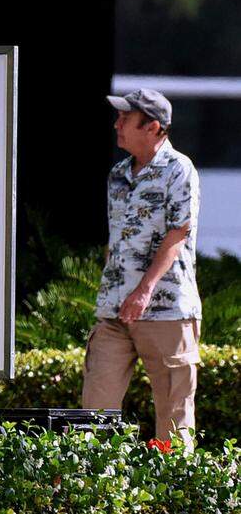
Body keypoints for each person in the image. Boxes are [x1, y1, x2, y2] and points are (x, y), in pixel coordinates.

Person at [82, 88, 201, 445]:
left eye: (126, 119)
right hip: (114, 310)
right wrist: (113, 293)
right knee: (94, 410)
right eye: (118, 117)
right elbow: (118, 240)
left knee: (173, 414)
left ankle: (177, 490)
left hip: (166, 310)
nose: (117, 125)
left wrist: (143, 290)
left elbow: (178, 234)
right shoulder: (118, 173)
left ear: (153, 128)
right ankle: (96, 488)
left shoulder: (179, 170)